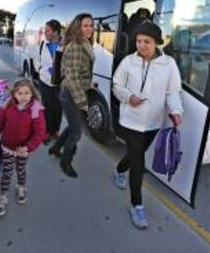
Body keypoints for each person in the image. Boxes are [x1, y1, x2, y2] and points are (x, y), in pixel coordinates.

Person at [112, 20, 183, 229]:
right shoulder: (128, 61)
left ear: (157, 43)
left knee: (136, 155)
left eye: (147, 41)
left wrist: (176, 111)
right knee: (139, 164)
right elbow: (117, 85)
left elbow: (173, 92)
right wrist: (128, 97)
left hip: (153, 123)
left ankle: (118, 170)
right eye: (139, 41)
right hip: (131, 121)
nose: (141, 45)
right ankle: (136, 205)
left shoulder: (169, 64)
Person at [48, 13, 95, 178]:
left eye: (91, 25)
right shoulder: (76, 45)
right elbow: (72, 77)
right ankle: (65, 162)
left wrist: (88, 83)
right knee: (77, 132)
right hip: (71, 93)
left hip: (74, 91)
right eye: (85, 25)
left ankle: (55, 148)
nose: (89, 28)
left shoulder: (85, 43)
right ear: (77, 27)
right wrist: (82, 102)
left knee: (73, 126)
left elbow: (79, 72)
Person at [0, 78, 46, 215]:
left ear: (32, 93)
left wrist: (28, 147)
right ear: (14, 94)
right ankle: (3, 196)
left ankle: (21, 187)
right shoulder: (8, 105)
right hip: (7, 147)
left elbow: (40, 132)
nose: (24, 96)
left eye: (27, 93)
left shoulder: (35, 109)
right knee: (7, 172)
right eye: (20, 93)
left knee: (21, 169)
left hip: (23, 150)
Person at [36, 19, 63, 144]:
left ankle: (55, 131)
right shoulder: (43, 44)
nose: (45, 33)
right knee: (47, 107)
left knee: (57, 108)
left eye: (48, 30)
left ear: (56, 32)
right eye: (45, 30)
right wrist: (41, 70)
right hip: (44, 81)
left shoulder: (64, 45)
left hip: (58, 83)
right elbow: (38, 60)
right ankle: (47, 132)